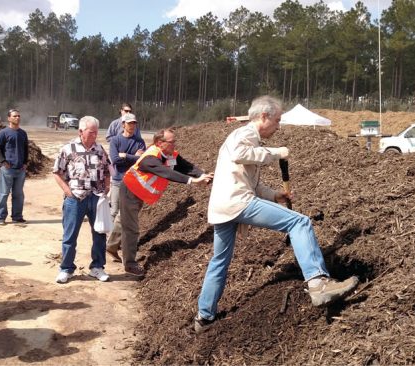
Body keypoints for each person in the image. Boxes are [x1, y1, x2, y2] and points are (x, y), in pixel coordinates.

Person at [194, 96, 359, 334]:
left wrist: (275, 196)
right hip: (238, 203)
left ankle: (204, 317)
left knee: (219, 261)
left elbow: (250, 182)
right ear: (263, 116)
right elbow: (241, 154)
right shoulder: (245, 135)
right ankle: (318, 283)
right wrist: (276, 153)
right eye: (277, 120)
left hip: (223, 207)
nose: (278, 126)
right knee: (299, 222)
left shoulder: (245, 138)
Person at [120, 128, 214, 276]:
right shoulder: (149, 158)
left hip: (141, 193)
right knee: (131, 228)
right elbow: (167, 172)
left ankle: (112, 246)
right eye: (171, 142)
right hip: (130, 190)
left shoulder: (171, 155)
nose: (174, 145)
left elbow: (186, 166)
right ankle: (130, 264)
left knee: (124, 221)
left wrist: (202, 175)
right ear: (159, 143)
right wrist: (193, 181)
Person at [52, 116, 111, 284]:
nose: (94, 135)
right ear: (80, 131)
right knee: (70, 235)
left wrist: (106, 188)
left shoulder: (99, 149)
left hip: (96, 198)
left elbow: (107, 170)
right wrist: (67, 190)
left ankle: (97, 267)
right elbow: (57, 172)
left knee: (99, 233)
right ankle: (66, 268)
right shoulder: (68, 149)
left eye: (96, 132)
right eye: (91, 132)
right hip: (75, 199)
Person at [105, 113, 146, 262]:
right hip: (118, 181)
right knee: (117, 212)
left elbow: (142, 160)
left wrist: (126, 156)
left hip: (134, 182)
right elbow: (115, 160)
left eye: (134, 123)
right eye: (129, 123)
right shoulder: (115, 140)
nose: (132, 126)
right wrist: (132, 156)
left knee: (125, 214)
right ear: (123, 125)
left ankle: (113, 245)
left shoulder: (139, 141)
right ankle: (113, 244)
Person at [0, 108, 29, 225]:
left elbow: (26, 149)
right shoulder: (3, 133)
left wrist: (25, 163)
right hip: (8, 169)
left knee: (18, 194)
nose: (17, 118)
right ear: (9, 118)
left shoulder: (23, 133)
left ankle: (17, 216)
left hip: (20, 169)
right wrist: (3, 161)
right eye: (15, 116)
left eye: (19, 116)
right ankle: (0, 217)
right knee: (4, 193)